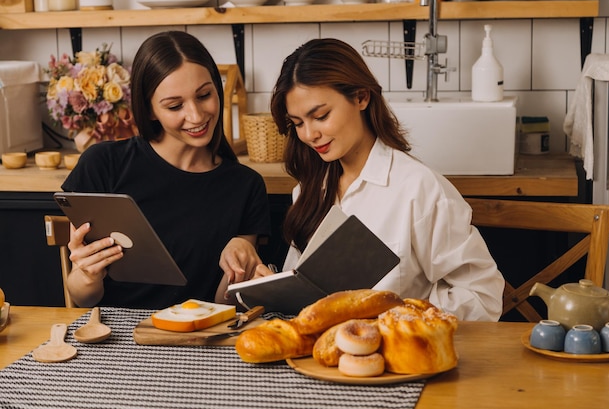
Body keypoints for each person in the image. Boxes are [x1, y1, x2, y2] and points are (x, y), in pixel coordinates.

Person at [251, 37, 504, 321]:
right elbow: (303, 290)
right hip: (323, 354)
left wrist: (398, 313)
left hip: (394, 356)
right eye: (297, 123)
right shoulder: (309, 190)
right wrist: (274, 285)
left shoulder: (417, 189)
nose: (309, 135)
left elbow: (484, 297)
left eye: (320, 116)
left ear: (361, 97)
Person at [62, 31, 271, 309]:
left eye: (205, 95)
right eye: (175, 106)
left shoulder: (245, 185)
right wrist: (87, 274)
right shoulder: (103, 165)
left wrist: (242, 260)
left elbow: (224, 306)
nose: (196, 116)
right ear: (149, 110)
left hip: (199, 337)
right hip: (117, 338)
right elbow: (82, 297)